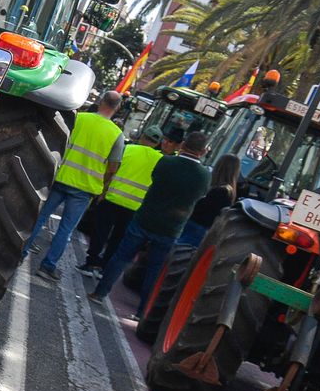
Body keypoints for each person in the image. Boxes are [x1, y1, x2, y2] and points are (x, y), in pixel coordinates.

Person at [91, 130, 213, 317]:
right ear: (203, 151)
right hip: (171, 228)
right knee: (154, 271)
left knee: (121, 257)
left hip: (145, 219)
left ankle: (100, 292)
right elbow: (201, 196)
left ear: (182, 145)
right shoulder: (204, 176)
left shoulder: (165, 162)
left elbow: (155, 179)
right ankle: (141, 313)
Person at [23, 90, 124, 281]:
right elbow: (113, 167)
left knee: (41, 216)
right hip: (84, 189)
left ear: (101, 101)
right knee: (65, 229)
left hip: (62, 177)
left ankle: (21, 252)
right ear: (117, 108)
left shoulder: (80, 118)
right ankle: (48, 266)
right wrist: (104, 188)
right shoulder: (117, 135)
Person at [79, 125, 165, 277]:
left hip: (112, 198)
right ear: (157, 143)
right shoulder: (161, 160)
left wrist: (102, 192)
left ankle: (90, 263)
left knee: (100, 233)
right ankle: (104, 268)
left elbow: (111, 170)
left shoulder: (127, 149)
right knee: (118, 239)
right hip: (135, 207)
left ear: (142, 136)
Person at [178, 153, 240, 247]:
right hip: (203, 229)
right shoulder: (229, 191)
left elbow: (200, 207)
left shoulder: (219, 190)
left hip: (195, 226)